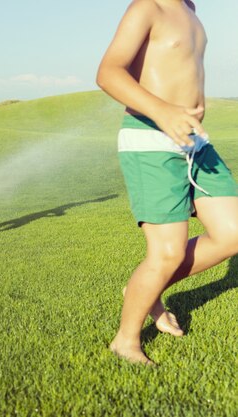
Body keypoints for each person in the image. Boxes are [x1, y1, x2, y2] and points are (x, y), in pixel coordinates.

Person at [97, 0, 238, 365]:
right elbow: (109, 73)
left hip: (195, 141)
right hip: (150, 140)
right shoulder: (148, 6)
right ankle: (125, 340)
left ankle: (145, 288)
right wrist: (162, 111)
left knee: (233, 232)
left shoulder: (191, 10)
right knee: (168, 253)